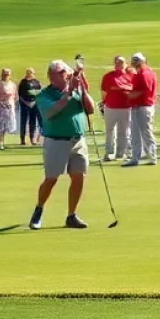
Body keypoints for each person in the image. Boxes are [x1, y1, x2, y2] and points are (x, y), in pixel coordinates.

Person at [30, 60, 95, 230]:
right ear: (52, 75)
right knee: (51, 179)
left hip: (77, 140)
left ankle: (71, 215)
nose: (66, 75)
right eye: (62, 72)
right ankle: (39, 208)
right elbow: (52, 111)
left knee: (78, 176)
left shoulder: (76, 90)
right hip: (56, 141)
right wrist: (69, 92)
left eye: (67, 72)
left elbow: (90, 109)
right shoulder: (44, 94)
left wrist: (83, 89)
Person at [124, 53, 157, 167]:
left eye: (136, 61)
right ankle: (136, 157)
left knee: (145, 132)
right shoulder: (142, 73)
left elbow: (145, 90)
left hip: (143, 106)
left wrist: (131, 95)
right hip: (139, 106)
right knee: (136, 133)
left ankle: (151, 156)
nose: (134, 63)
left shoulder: (144, 74)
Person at [100, 57, 133, 161]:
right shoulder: (108, 76)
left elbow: (133, 89)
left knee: (124, 131)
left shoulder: (131, 76)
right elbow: (104, 92)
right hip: (111, 107)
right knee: (110, 131)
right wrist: (104, 103)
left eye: (121, 62)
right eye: (117, 62)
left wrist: (122, 89)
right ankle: (109, 152)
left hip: (126, 108)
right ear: (114, 64)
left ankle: (121, 153)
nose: (119, 64)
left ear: (125, 64)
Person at [0, 68, 18, 150]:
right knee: (1, 126)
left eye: (8, 74)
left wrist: (11, 104)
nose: (6, 76)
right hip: (1, 107)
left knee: (7, 126)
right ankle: (0, 143)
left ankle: (3, 142)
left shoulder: (13, 84)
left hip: (10, 106)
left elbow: (15, 96)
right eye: (5, 74)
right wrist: (2, 103)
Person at [18, 67, 43, 146]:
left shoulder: (37, 82)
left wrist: (35, 101)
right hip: (25, 104)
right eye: (28, 72)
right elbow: (20, 94)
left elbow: (39, 92)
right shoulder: (23, 82)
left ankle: (32, 138)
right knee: (23, 121)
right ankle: (22, 138)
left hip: (34, 104)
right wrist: (25, 102)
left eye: (31, 72)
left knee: (33, 121)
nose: (30, 74)